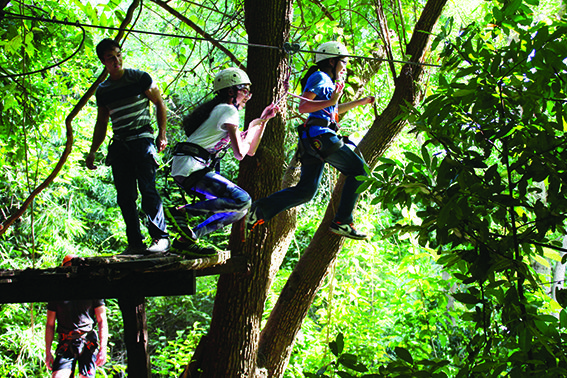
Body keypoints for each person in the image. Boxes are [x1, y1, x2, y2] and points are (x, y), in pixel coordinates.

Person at [247, 41, 375, 240]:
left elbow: (330, 110)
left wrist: (359, 102)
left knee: (306, 191)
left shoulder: (326, 81)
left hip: (313, 138)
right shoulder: (321, 77)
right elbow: (304, 107)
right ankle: (343, 221)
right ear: (332, 61)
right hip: (320, 136)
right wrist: (332, 101)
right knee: (359, 172)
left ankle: (259, 210)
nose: (345, 67)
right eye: (344, 62)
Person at [166, 67, 277, 254]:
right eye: (245, 90)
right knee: (242, 200)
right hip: (191, 167)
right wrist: (251, 129)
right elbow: (240, 154)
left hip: (190, 167)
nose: (248, 96)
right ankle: (181, 212)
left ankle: (187, 240)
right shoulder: (227, 110)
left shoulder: (223, 112)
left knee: (239, 209)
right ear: (231, 91)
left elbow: (250, 151)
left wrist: (262, 122)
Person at [86, 38, 170, 255]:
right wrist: (93, 150)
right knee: (125, 196)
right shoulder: (103, 91)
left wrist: (162, 134)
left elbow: (160, 103)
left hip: (142, 140)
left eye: (118, 55)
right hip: (120, 145)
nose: (116, 60)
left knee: (148, 189)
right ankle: (135, 243)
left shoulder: (139, 78)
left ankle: (160, 238)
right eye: (110, 58)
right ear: (103, 62)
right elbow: (102, 122)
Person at [45, 255, 108, 378]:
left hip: (87, 341)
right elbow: (50, 324)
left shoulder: (91, 288)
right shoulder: (57, 292)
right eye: (69, 267)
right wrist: (48, 352)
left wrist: (103, 348)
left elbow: (102, 320)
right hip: (66, 342)